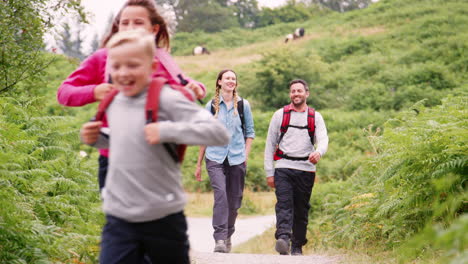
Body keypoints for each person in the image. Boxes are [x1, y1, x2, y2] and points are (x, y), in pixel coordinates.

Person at [80, 29, 230, 263]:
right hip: (120, 217)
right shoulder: (113, 101)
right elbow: (126, 140)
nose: (123, 73)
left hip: (163, 217)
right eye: (116, 66)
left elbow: (218, 133)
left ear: (151, 68)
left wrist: (167, 130)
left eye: (132, 65)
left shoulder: (167, 98)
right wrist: (96, 137)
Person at [57, 0, 206, 190]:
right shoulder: (103, 57)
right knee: (121, 218)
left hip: (158, 158)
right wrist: (95, 91)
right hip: (116, 159)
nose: (130, 28)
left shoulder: (161, 58)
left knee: (157, 218)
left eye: (138, 22)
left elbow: (186, 83)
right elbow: (64, 92)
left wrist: (198, 88)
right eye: (124, 23)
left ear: (153, 29)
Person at [264, 79, 328, 256]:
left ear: (307, 93)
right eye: (293, 91)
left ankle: (297, 245)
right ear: (290, 94)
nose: (296, 94)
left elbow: (323, 139)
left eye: (299, 91)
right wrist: (270, 172)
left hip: (306, 169)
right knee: (284, 204)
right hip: (283, 167)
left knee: (301, 208)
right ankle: (283, 238)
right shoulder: (280, 115)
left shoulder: (315, 117)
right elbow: (270, 144)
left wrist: (319, 152)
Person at [194, 69, 255, 253]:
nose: (231, 81)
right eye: (227, 78)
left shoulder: (244, 105)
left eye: (233, 78)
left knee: (234, 200)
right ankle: (219, 239)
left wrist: (245, 156)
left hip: (237, 158)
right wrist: (198, 164)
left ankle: (228, 234)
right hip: (215, 157)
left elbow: (249, 133)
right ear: (219, 82)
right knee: (221, 196)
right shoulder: (210, 106)